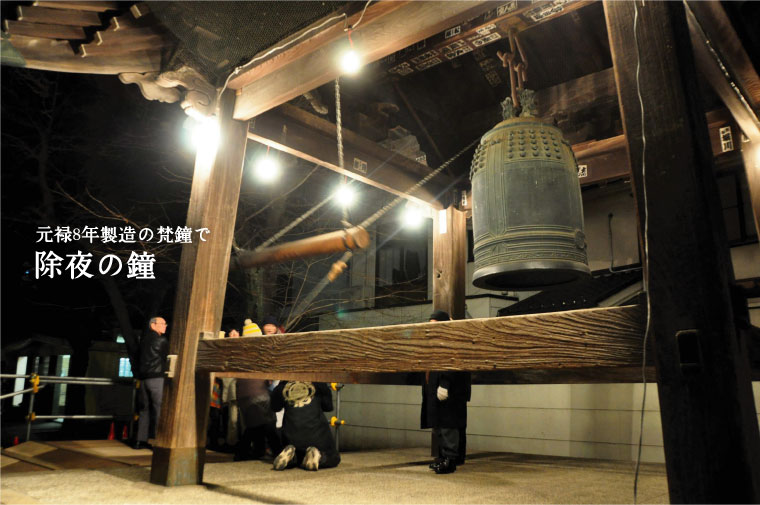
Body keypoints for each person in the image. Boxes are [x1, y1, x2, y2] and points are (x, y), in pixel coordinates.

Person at [422, 309, 471, 474]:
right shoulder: (438, 340)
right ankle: (444, 458)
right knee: (440, 425)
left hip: (449, 389)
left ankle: (450, 459)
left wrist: (445, 383)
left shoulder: (452, 339)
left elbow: (453, 363)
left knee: (449, 425)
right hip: (438, 386)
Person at [270, 380, 340, 471]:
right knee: (334, 457)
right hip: (318, 439)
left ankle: (292, 458)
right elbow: (328, 407)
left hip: (291, 439)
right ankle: (319, 457)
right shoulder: (319, 383)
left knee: (297, 454)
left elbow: (274, 407)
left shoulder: (282, 386)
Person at [134, 316, 169, 450]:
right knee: (158, 409)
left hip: (143, 379)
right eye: (162, 323)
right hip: (156, 378)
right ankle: (156, 440)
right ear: (153, 325)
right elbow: (167, 357)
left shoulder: (142, 341)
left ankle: (139, 440)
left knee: (144, 410)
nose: (165, 326)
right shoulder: (161, 340)